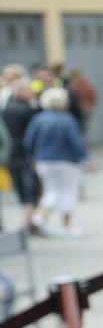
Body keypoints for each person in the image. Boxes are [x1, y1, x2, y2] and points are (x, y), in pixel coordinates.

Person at [23, 86, 88, 238]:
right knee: (68, 192)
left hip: (43, 161)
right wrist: (85, 157)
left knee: (51, 190)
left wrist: (32, 158)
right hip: (66, 161)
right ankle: (65, 227)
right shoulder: (67, 119)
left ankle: (41, 220)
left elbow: (28, 141)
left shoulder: (38, 119)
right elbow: (75, 142)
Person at [2, 70, 41, 225]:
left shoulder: (5, 109)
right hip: (26, 154)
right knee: (31, 187)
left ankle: (27, 219)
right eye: (30, 90)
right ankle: (28, 221)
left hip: (11, 155)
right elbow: (34, 136)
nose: (32, 93)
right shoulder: (28, 110)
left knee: (20, 187)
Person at [63, 66, 97, 139]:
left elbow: (71, 98)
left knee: (76, 128)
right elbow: (93, 95)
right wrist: (90, 105)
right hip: (86, 108)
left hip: (77, 110)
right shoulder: (86, 82)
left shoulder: (73, 84)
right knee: (83, 128)